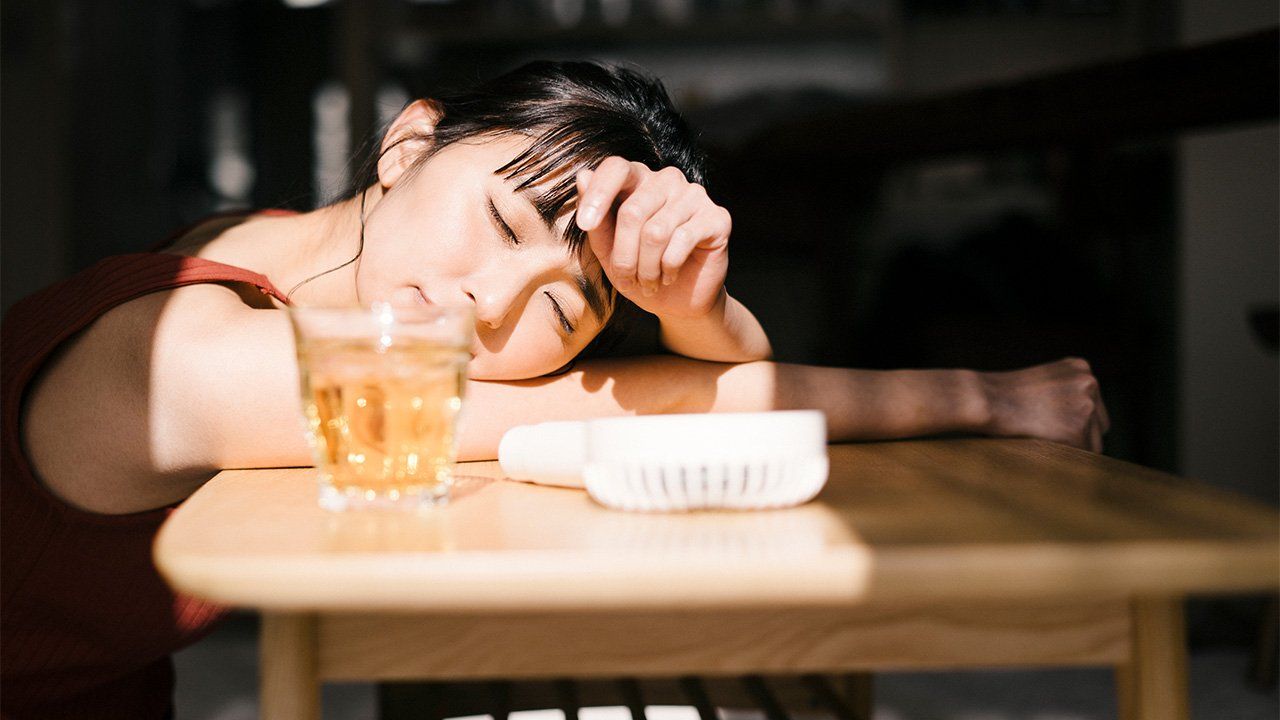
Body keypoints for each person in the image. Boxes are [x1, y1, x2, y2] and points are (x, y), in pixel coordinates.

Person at [0, 60, 1108, 719]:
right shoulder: (184, 356)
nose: (490, 306)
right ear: (407, 145)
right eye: (499, 221)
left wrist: (691, 306)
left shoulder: (279, 248)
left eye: (565, 312)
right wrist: (985, 400)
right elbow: (675, 406)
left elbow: (709, 384)